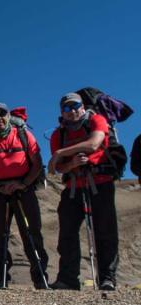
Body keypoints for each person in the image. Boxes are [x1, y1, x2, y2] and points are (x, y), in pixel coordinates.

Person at [48, 92, 118, 291]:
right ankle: (68, 279)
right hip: (73, 187)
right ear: (62, 111)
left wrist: (61, 153)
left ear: (82, 106)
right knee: (67, 233)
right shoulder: (58, 134)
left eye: (75, 106)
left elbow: (94, 143)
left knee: (105, 231)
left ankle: (107, 277)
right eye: (66, 108)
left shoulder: (97, 120)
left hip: (101, 183)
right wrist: (71, 163)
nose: (72, 111)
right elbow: (56, 168)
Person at [0, 102, 49, 289]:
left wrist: (22, 184)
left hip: (24, 190)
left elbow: (37, 164)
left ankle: (41, 278)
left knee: (32, 234)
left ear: (8, 116)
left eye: (2, 114)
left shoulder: (24, 135)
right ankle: (1, 279)